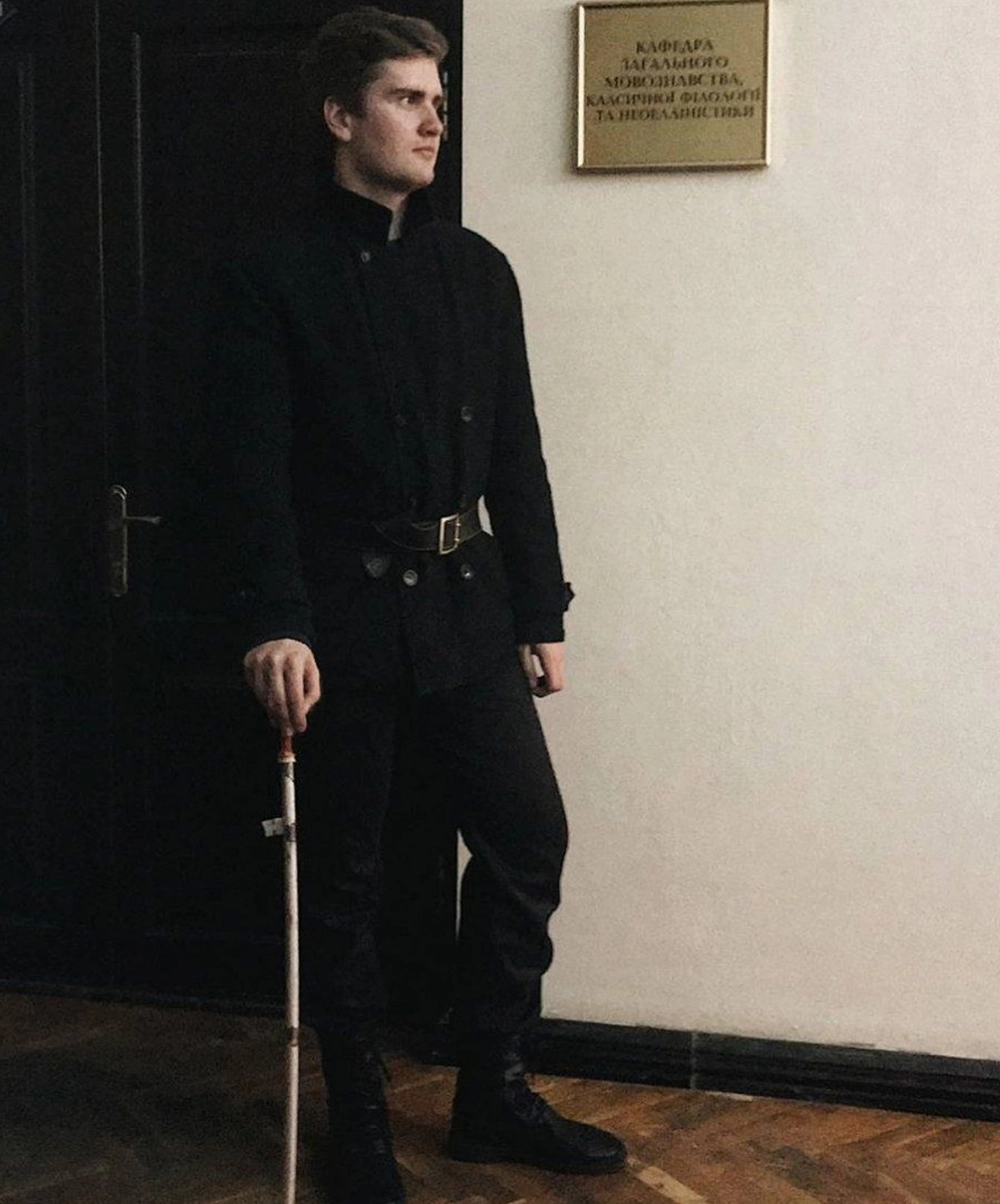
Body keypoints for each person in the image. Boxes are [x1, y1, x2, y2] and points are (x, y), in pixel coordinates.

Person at [208, 8, 626, 1201]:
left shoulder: (477, 271)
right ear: (341, 116)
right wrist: (273, 617)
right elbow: (245, 470)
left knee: (527, 838)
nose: (432, 119)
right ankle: (361, 1125)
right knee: (347, 883)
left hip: (467, 609)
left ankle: (492, 1089)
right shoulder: (266, 274)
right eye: (406, 98)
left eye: (438, 99)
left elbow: (517, 454)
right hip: (338, 620)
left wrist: (541, 608)